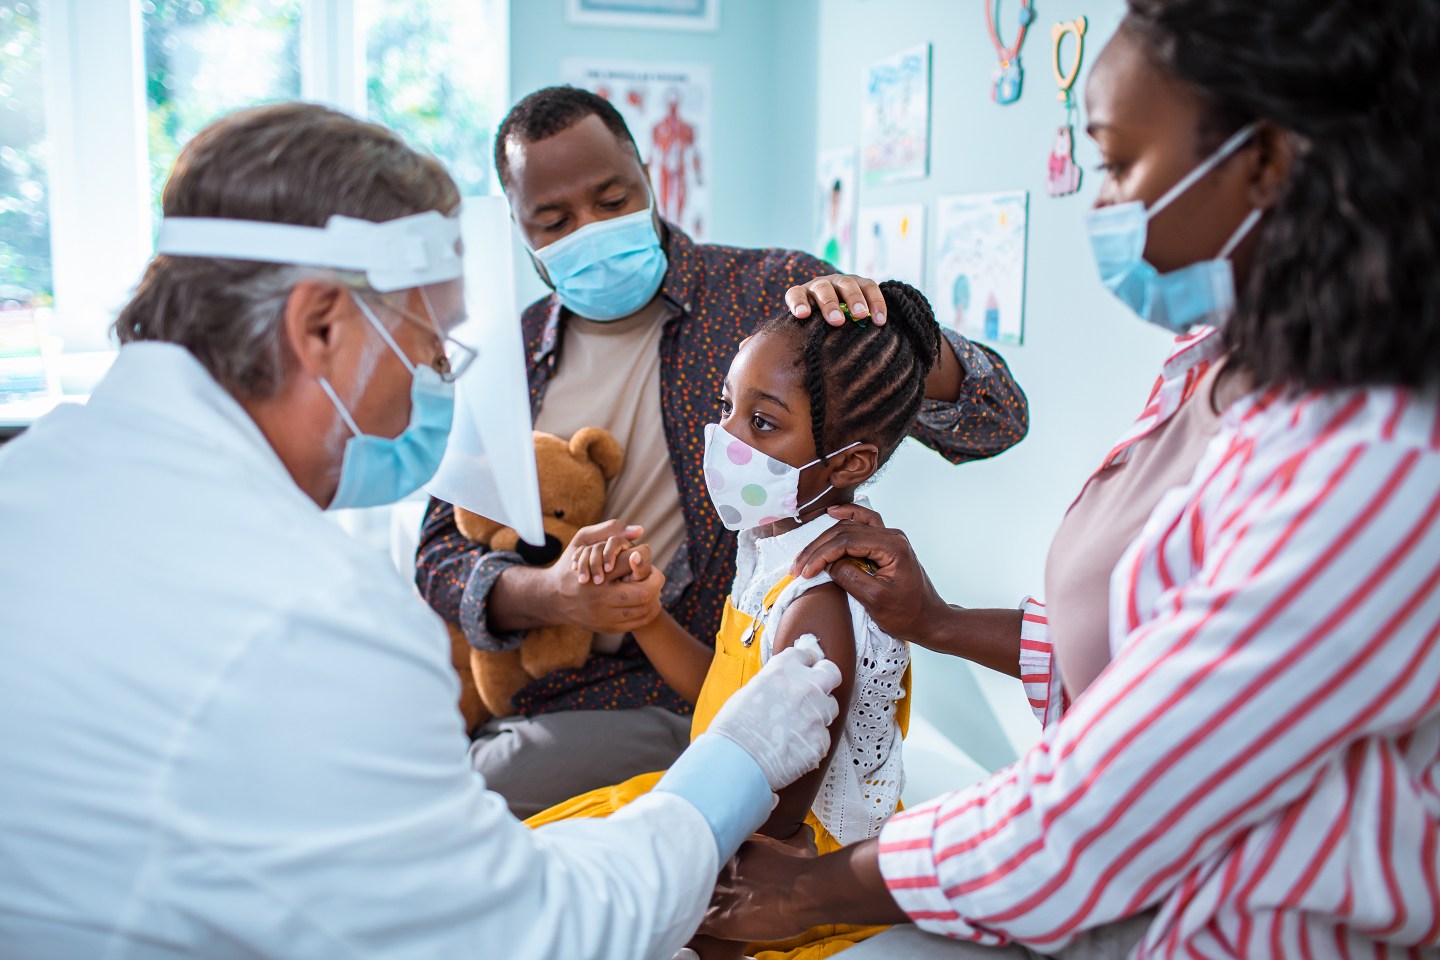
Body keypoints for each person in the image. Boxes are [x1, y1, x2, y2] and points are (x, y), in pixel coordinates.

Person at [0, 102, 848, 960]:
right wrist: (734, 764)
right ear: (321, 325)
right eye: (431, 348)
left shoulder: (32, 482)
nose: (433, 391)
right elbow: (530, 933)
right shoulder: (318, 613)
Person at [704, 1, 1440, 957]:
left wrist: (813, 890)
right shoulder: (1208, 365)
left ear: (1265, 162)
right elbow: (1142, 652)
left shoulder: (1374, 467)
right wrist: (937, 621)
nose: (1099, 204)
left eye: (1118, 163)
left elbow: (1109, 806)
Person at [414, 85, 1030, 818]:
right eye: (554, 221)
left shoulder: (769, 297)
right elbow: (439, 553)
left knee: (457, 817)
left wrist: (898, 334)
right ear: (519, 230)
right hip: (541, 685)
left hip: (686, 691)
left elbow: (997, 421)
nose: (591, 229)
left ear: (648, 177)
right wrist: (553, 596)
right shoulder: (511, 354)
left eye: (613, 198)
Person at [530, 280, 944, 960]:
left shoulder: (821, 602)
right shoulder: (768, 547)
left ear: (849, 463)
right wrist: (646, 616)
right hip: (727, 799)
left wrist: (677, 912)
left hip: (784, 863)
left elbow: (775, 827)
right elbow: (727, 699)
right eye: (728, 407)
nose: (725, 437)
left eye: (762, 422)